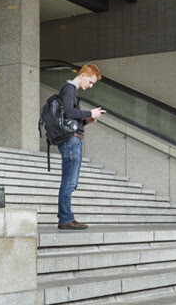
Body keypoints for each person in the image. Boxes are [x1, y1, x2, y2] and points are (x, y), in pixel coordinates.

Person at [56, 64, 106, 230]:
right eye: (90, 82)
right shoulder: (69, 89)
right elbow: (70, 113)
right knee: (69, 182)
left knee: (70, 182)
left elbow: (71, 116)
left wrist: (87, 120)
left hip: (73, 140)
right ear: (83, 75)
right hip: (71, 141)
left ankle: (67, 217)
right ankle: (65, 218)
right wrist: (89, 113)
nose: (90, 86)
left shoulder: (71, 91)